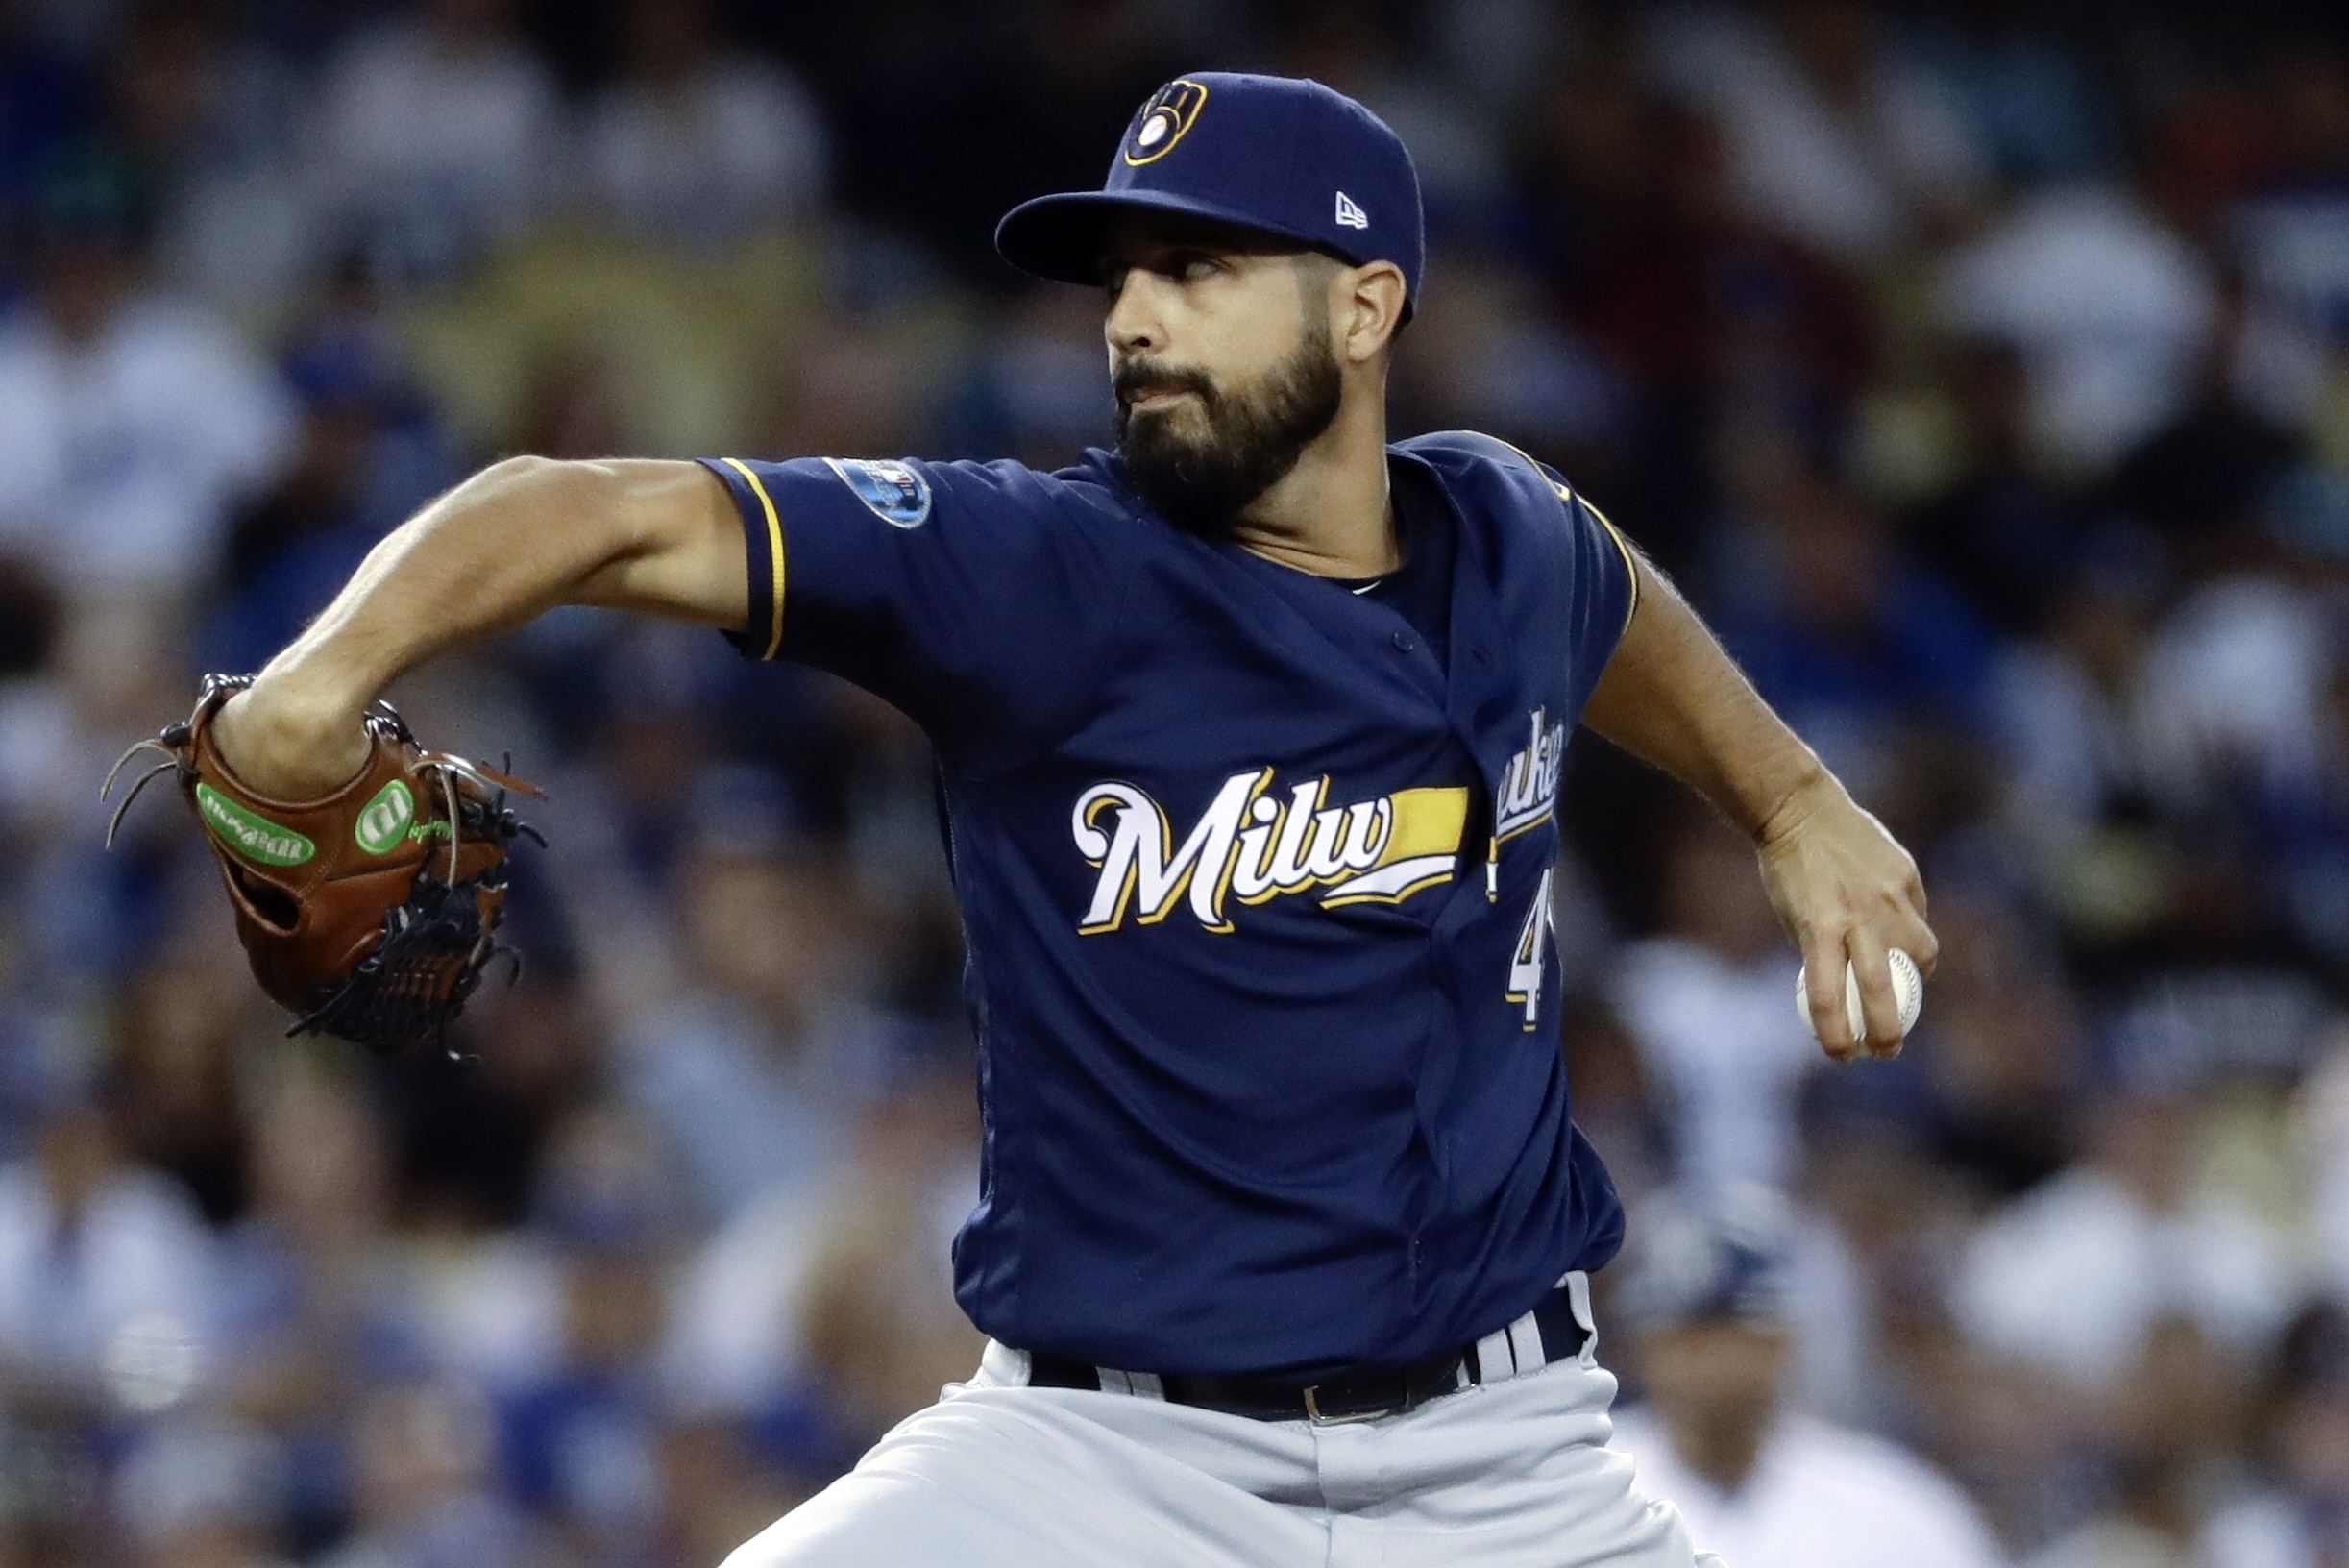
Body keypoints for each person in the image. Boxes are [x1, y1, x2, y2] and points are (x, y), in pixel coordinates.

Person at [205, 71, 1935, 1568]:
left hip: (1510, 1466)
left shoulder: (1503, 537)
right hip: (1105, 1465)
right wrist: (319, 679)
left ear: (1365, 306)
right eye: (1121, 278)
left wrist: (1795, 802)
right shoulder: (1031, 567)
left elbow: (1609, 598)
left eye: (1199, 265)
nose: (1133, 318)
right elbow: (591, 510)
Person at [1608, 1187, 2008, 1568]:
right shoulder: (1573, 1493)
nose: (1713, 1364)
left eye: (1737, 1335)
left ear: (1784, 1340)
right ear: (1644, 1344)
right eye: (1689, 1339)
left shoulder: (1896, 1509)